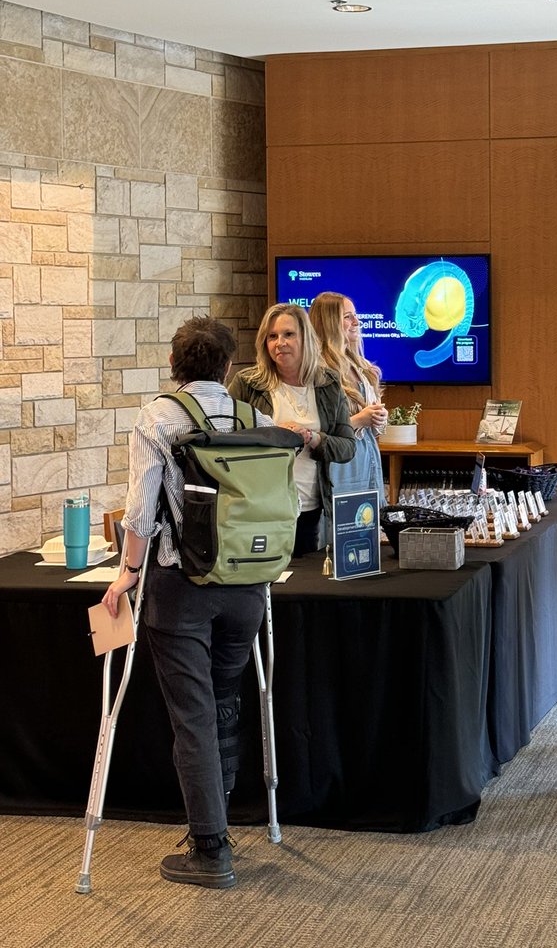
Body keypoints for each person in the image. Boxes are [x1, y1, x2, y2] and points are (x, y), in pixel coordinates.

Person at [101, 317, 272, 889]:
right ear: (228, 368)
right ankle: (218, 819)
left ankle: (210, 846)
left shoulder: (157, 417)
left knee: (193, 716)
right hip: (247, 586)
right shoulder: (254, 419)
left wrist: (127, 573)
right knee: (224, 700)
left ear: (174, 366)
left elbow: (140, 512)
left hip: (182, 590)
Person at [228, 302, 355, 555]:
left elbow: (347, 447)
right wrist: (272, 434)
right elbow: (227, 441)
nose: (279, 343)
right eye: (272, 336)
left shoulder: (328, 383)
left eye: (288, 334)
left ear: (305, 338)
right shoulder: (247, 384)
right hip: (261, 508)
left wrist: (312, 438)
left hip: (309, 507)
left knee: (303, 584)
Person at [309, 292, 387, 509]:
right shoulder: (318, 371)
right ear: (329, 322)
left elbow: (373, 426)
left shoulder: (361, 366)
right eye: (348, 317)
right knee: (344, 531)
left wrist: (379, 417)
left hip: (367, 457)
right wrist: (360, 420)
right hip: (341, 465)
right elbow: (317, 431)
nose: (356, 322)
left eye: (355, 315)